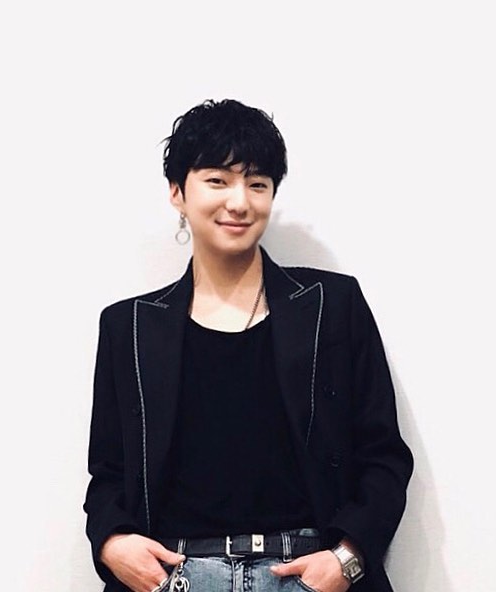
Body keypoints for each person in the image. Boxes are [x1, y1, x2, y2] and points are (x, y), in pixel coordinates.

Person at [83, 99, 413, 592]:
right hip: (178, 575)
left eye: (257, 184)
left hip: (303, 572)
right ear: (177, 192)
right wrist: (113, 543)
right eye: (217, 180)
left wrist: (347, 559)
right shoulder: (128, 327)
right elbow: (108, 472)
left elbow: (383, 455)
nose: (239, 202)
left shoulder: (332, 305)